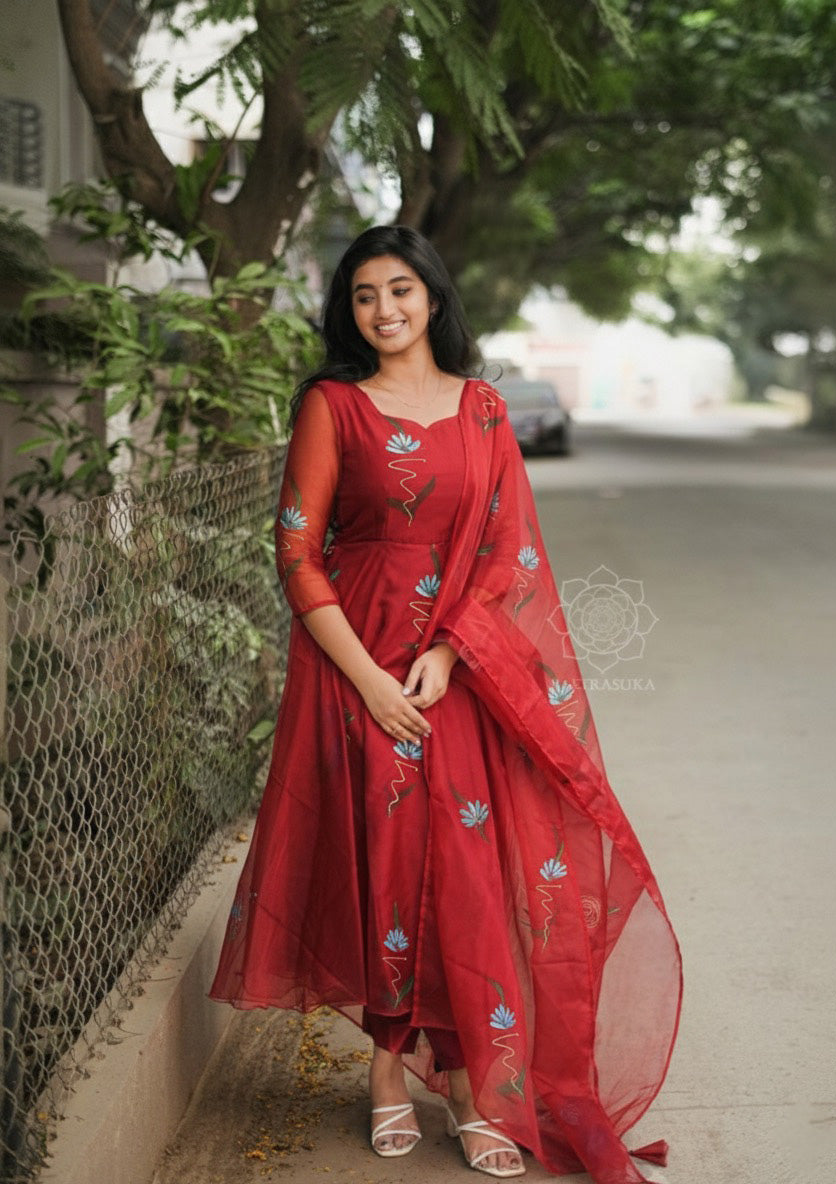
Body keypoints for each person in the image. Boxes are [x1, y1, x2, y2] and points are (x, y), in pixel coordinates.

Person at [207, 226, 682, 1183]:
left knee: (465, 873)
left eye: (400, 290)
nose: (384, 310)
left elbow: (508, 549)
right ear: (348, 311)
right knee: (386, 866)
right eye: (364, 296)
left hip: (459, 673)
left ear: (432, 298)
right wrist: (370, 679)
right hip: (356, 669)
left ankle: (468, 1085)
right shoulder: (333, 406)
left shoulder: (485, 410)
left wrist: (450, 652)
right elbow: (297, 551)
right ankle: (387, 1071)